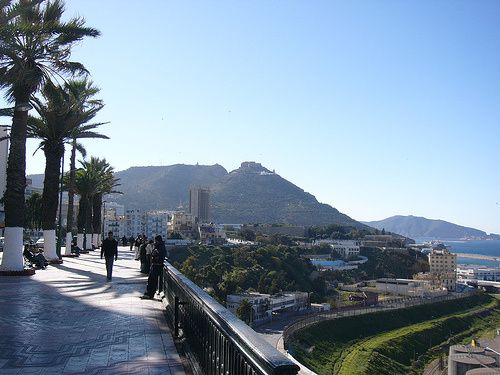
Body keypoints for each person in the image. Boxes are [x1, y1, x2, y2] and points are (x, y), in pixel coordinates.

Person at [140, 235, 166, 299]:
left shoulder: (160, 247)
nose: (154, 242)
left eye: (155, 240)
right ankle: (149, 293)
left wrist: (155, 255)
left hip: (157, 265)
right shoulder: (159, 246)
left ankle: (149, 294)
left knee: (152, 281)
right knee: (151, 280)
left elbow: (157, 254)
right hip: (155, 265)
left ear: (157, 240)